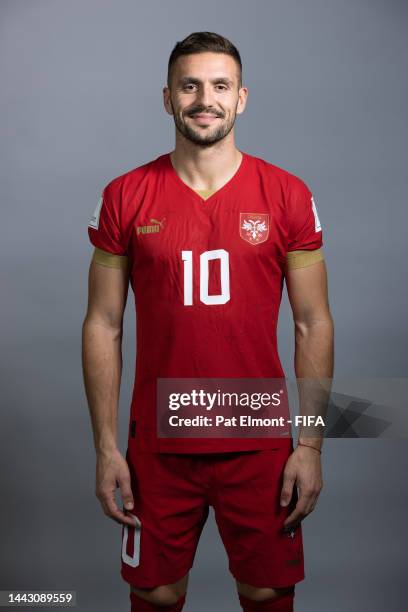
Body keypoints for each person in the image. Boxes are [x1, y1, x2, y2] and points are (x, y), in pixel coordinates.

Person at [82, 31, 334, 612]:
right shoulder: (126, 195)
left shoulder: (287, 194)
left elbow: (312, 322)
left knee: (267, 592)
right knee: (155, 592)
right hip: (160, 445)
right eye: (189, 85)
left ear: (241, 98)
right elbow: (103, 324)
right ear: (167, 98)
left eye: (220, 86)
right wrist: (105, 447)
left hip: (260, 439)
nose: (205, 98)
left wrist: (313, 445)